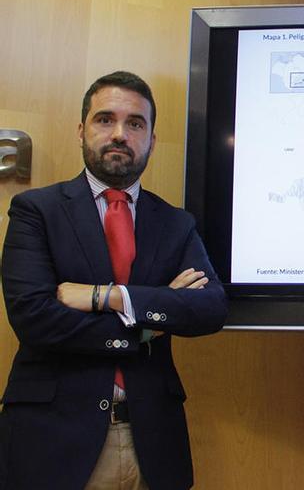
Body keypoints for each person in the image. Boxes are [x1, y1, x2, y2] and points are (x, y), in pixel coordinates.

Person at [0, 71, 227, 489]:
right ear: (81, 130)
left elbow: (209, 308)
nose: (120, 133)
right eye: (105, 119)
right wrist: (147, 326)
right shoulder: (36, 211)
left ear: (152, 140)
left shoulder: (176, 224)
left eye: (135, 123)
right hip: (52, 442)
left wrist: (108, 297)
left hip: (153, 443)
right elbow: (34, 317)